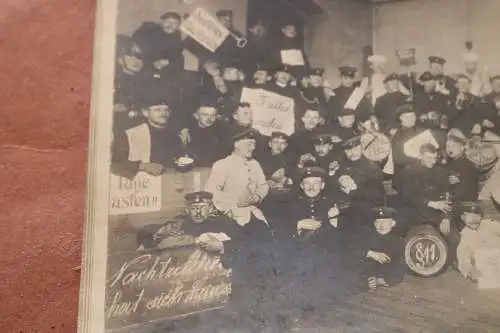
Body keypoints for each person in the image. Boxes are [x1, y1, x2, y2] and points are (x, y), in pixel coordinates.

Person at [206, 128, 271, 239]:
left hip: (254, 214)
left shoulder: (255, 164)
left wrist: (257, 197)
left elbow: (263, 185)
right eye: (249, 144)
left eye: (254, 144)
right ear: (236, 144)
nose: (253, 147)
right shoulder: (222, 165)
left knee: (266, 238)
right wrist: (227, 210)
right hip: (232, 217)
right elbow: (212, 191)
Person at [136, 191, 243, 256]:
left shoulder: (222, 222)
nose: (198, 212)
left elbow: (245, 241)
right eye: (194, 208)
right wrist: (159, 232)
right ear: (187, 210)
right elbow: (144, 233)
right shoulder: (180, 222)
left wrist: (222, 246)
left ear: (210, 208)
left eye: (202, 208)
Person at [111, 92, 183, 179]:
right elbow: (115, 163)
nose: (164, 113)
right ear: (145, 113)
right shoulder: (130, 134)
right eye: (158, 110)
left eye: (166, 110)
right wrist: (143, 166)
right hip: (139, 186)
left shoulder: (174, 137)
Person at [392, 143, 451, 234]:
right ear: (420, 156)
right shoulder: (408, 172)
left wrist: (446, 218)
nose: (433, 161)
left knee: (452, 238)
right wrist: (430, 203)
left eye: (435, 158)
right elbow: (407, 197)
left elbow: (447, 197)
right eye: (429, 158)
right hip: (412, 214)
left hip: (434, 215)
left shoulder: (441, 172)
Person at [335, 136, 385, 232]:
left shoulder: (372, 168)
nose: (352, 153)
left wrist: (353, 192)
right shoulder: (341, 167)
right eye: (348, 150)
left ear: (362, 148)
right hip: (343, 213)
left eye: (355, 149)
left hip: (364, 214)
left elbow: (377, 197)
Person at [348, 207, 405, 291]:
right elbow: (351, 253)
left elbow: (398, 266)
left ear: (393, 223)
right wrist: (370, 254)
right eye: (378, 222)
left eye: (385, 222)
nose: (381, 225)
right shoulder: (364, 236)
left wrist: (381, 280)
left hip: (382, 280)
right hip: (362, 278)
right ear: (374, 223)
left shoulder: (398, 241)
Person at [294, 166, 345, 244]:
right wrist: (298, 225)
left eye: (316, 183)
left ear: (322, 185)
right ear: (301, 186)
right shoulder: (291, 204)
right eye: (307, 183)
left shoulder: (331, 203)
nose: (311, 187)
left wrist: (334, 220)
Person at [456, 201, 500, 283]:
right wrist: (471, 272)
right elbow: (463, 260)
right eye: (468, 215)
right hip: (487, 270)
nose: (473, 219)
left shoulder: (491, 225)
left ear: (481, 216)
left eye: (476, 214)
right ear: (462, 218)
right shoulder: (465, 236)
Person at [132, 12, 184, 79]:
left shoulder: (177, 36)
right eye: (168, 22)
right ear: (161, 21)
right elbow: (136, 38)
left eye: (175, 23)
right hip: (145, 59)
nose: (171, 25)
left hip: (163, 64)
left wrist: (167, 61)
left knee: (179, 59)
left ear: (178, 26)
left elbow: (177, 53)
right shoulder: (150, 28)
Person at [113, 35, 146, 132]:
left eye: (139, 57)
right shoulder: (111, 81)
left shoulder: (147, 83)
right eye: (130, 55)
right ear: (119, 58)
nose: (136, 60)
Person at [183, 96, 225, 167]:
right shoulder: (188, 133)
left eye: (213, 115)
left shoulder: (221, 134)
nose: (209, 119)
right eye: (205, 115)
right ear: (196, 115)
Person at [444, 134, 480, 202]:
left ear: (462, 147)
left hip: (464, 203)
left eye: (453, 146)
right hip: (450, 200)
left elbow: (471, 189)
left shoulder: (469, 165)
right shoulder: (447, 164)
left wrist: (460, 181)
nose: (450, 149)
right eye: (447, 146)